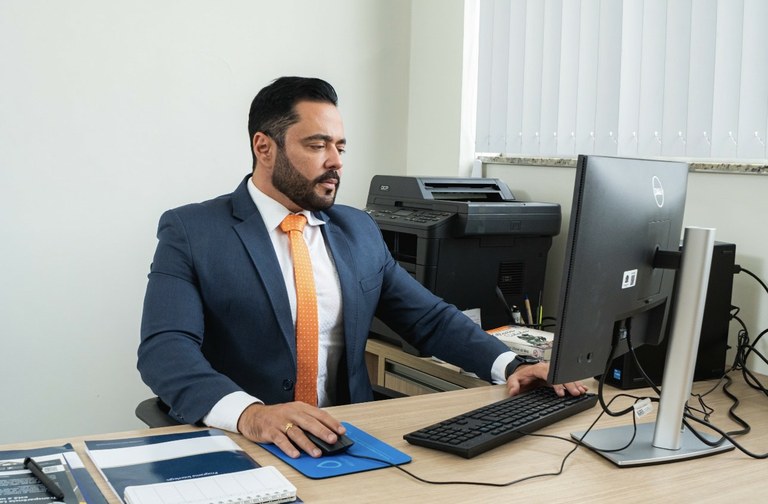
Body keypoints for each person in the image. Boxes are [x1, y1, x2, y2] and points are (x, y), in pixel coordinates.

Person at [138, 76, 586, 459]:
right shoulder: (193, 231)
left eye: (340, 146)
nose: (335, 161)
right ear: (264, 147)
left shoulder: (357, 229)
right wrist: (250, 414)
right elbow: (165, 350)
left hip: (343, 438)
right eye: (317, 145)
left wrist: (510, 365)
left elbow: (428, 319)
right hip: (243, 442)